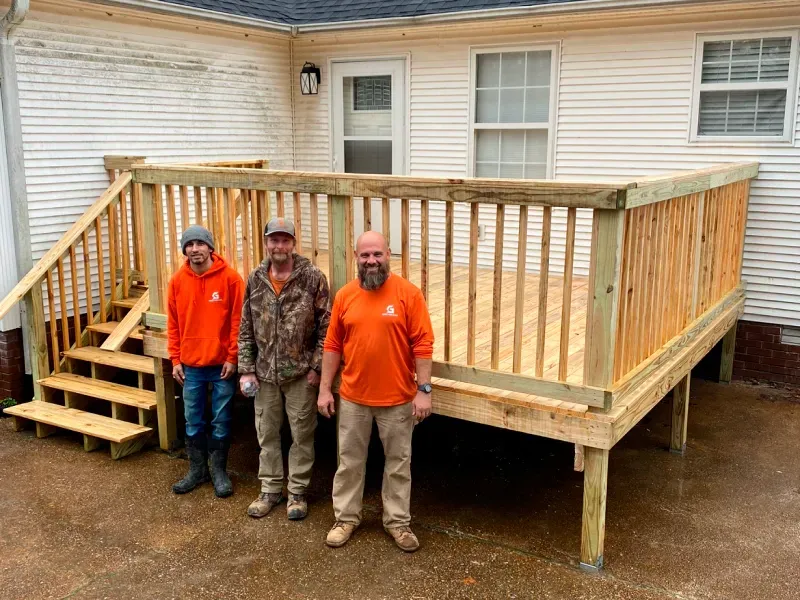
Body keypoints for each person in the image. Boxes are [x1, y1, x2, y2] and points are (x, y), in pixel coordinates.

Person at [318, 230, 434, 552]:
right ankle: (345, 519)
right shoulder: (344, 295)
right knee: (349, 462)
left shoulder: (408, 294)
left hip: (398, 398)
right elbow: (332, 345)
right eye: (365, 255)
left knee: (398, 463)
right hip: (354, 397)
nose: (371, 261)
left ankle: (398, 523)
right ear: (355, 257)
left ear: (389, 254)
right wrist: (325, 389)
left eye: (377, 254)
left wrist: (423, 390)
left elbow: (423, 344)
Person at [239, 217, 331, 521]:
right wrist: (246, 369)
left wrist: (317, 367)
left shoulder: (313, 277)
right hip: (263, 374)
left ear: (293, 243)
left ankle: (297, 493)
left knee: (302, 435)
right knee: (266, 433)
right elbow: (245, 327)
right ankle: (270, 489)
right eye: (273, 240)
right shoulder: (255, 278)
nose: (279, 246)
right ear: (266, 243)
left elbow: (326, 328)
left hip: (300, 374)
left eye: (285, 240)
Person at [168, 225, 244, 498]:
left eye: (201, 243)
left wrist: (233, 356)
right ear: (185, 250)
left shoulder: (231, 279)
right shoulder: (177, 281)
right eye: (189, 245)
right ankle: (196, 470)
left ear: (211, 247)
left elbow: (238, 322)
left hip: (221, 365)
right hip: (191, 366)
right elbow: (173, 323)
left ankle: (218, 471)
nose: (195, 249)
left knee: (221, 420)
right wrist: (175, 358)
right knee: (192, 420)